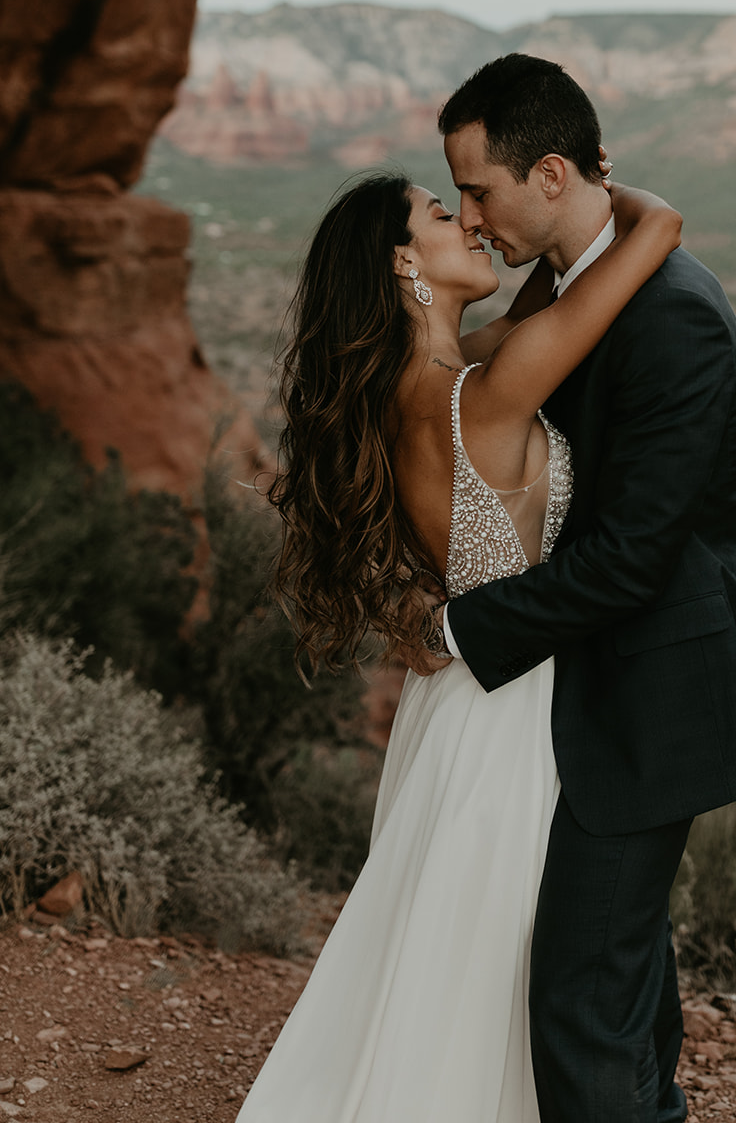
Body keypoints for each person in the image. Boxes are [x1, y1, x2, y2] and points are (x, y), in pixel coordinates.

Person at [235, 158, 683, 1123]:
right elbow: (658, 232)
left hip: (455, 697)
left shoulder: (417, 382)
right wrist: (610, 194)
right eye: (445, 212)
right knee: (500, 956)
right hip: (514, 712)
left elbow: (540, 303)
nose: (471, 223)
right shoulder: (482, 391)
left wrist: (555, 225)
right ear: (405, 263)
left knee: (446, 949)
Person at [431, 53, 736, 1123]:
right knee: (617, 993)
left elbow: (632, 558)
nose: (467, 215)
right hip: (582, 695)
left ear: (544, 174)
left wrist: (451, 629)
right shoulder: (573, 289)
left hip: (646, 706)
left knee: (581, 1002)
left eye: (477, 189)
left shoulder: (673, 316)